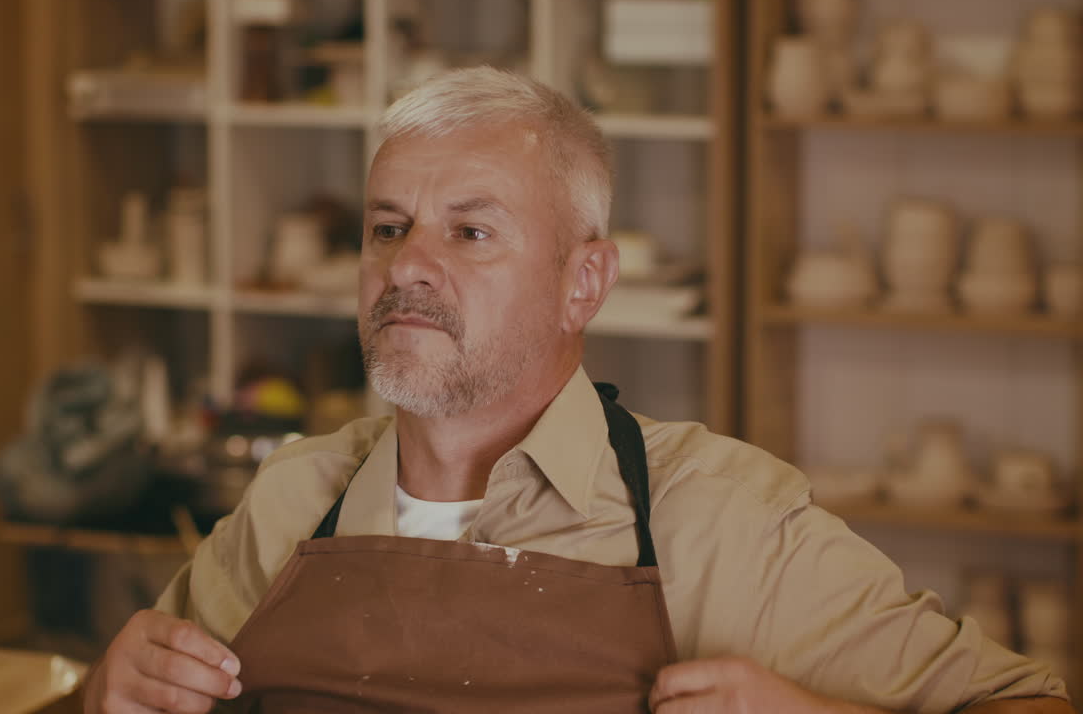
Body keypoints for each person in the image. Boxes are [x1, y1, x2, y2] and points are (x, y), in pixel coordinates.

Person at [83, 67, 1071, 714]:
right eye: (387, 227)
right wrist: (106, 693)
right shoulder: (290, 503)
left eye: (469, 232)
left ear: (582, 283)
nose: (408, 266)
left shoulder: (723, 522)